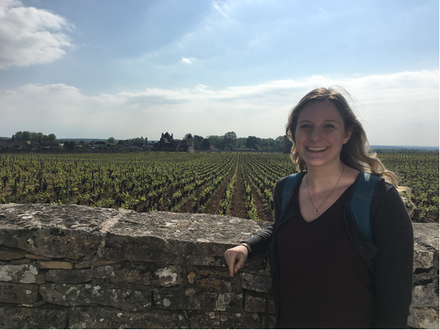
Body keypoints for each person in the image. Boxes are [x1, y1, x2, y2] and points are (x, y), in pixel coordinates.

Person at [224, 87, 414, 329]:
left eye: (328, 126)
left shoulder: (379, 199)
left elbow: (395, 304)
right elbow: (284, 228)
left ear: (346, 134)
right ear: (293, 134)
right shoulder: (286, 189)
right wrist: (248, 245)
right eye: (305, 126)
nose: (315, 136)